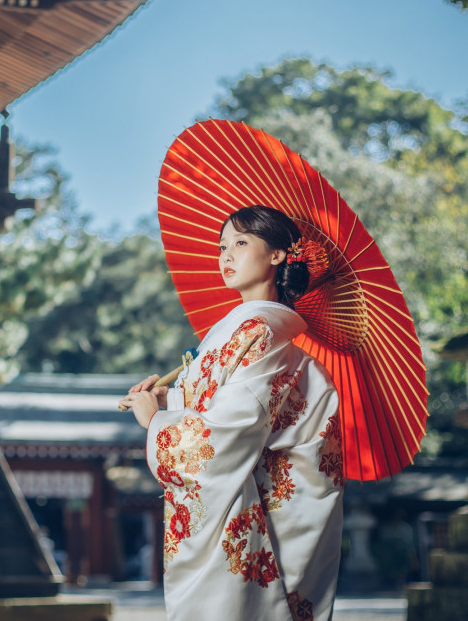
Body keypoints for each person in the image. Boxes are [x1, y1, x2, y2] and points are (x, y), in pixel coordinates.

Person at [120, 205, 344, 621]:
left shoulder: (260, 331)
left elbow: (233, 431)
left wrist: (157, 421)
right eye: (222, 246)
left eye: (241, 243)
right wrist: (176, 400)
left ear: (278, 255)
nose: (226, 255)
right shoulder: (240, 332)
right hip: (233, 500)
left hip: (249, 513)